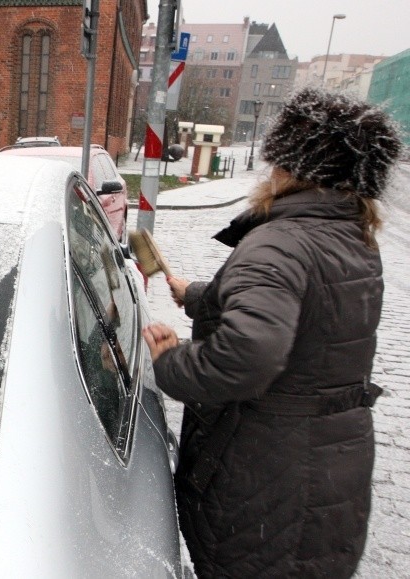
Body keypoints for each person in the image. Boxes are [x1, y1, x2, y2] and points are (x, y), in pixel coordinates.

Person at [142, 87, 404, 578]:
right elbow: (313, 312)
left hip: (269, 474)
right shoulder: (349, 235)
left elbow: (247, 356)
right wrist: (198, 295)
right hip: (329, 460)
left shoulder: (280, 242)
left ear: (290, 164)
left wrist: (169, 360)